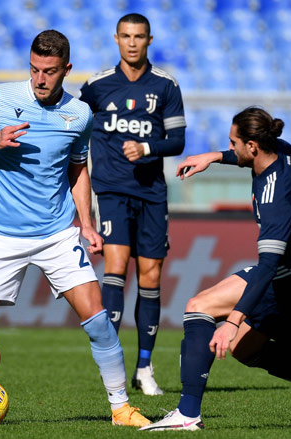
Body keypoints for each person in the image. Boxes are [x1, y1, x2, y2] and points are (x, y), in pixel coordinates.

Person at [0, 30, 150, 427]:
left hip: (56, 234)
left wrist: (86, 224)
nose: (39, 79)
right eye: (34, 69)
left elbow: (77, 168)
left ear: (65, 70)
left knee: (98, 318)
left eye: (49, 72)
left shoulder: (80, 115)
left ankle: (121, 408)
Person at [140, 107, 291, 431]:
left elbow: (268, 266)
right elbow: (246, 156)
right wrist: (214, 157)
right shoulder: (282, 149)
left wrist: (232, 320)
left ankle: (187, 414)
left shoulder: (277, 196)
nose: (231, 148)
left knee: (199, 307)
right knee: (247, 350)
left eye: (233, 143)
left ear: (253, 145)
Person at [79, 13, 186, 396]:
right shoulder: (95, 87)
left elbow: (176, 142)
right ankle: (114, 364)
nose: (132, 43)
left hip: (152, 192)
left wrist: (146, 147)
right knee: (116, 266)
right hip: (110, 190)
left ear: (149, 40)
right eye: (125, 36)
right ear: (116, 39)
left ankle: (144, 366)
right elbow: (74, 128)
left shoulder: (166, 85)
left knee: (152, 277)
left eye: (139, 36)